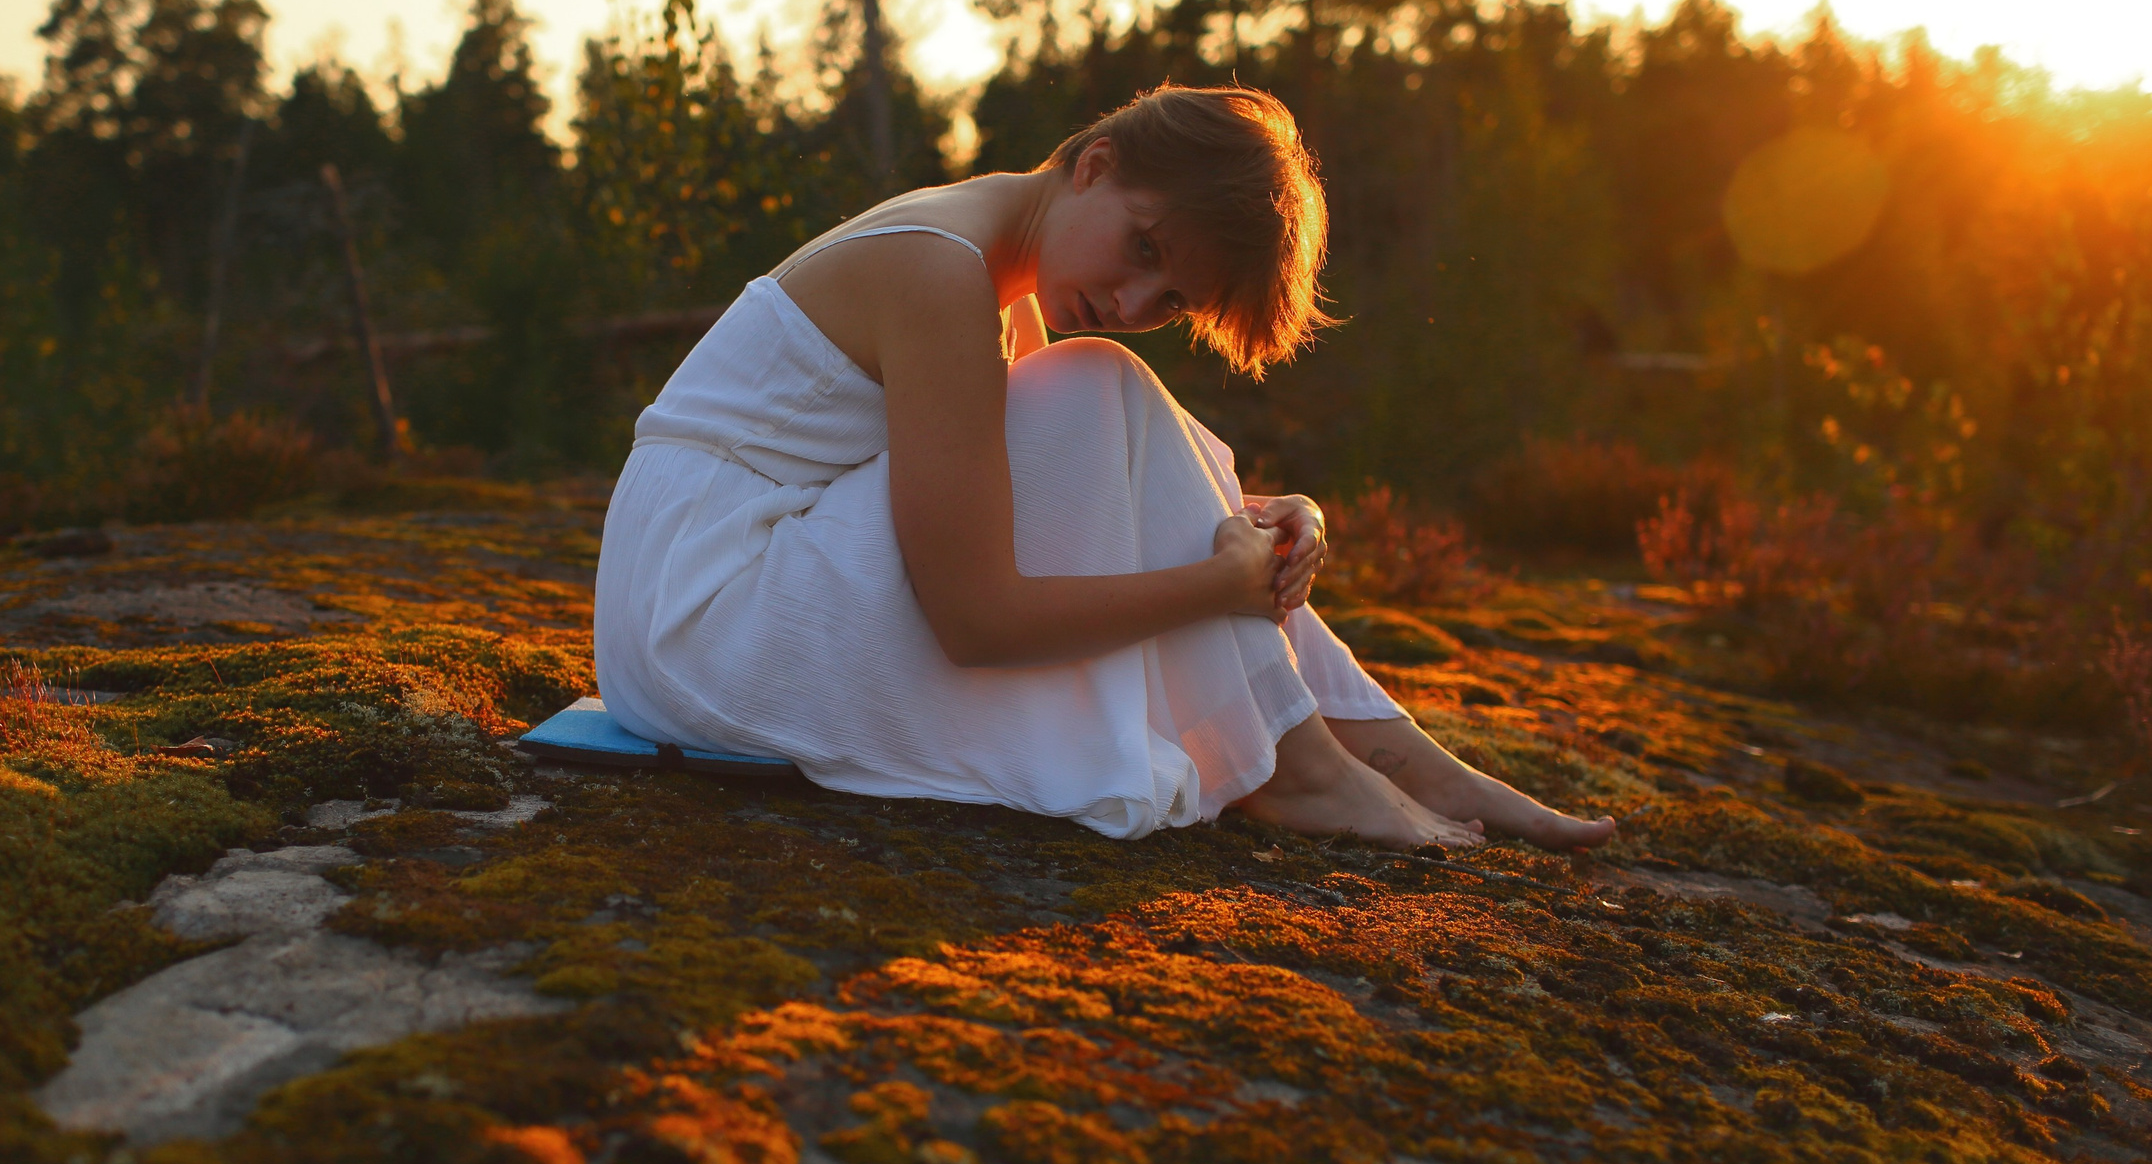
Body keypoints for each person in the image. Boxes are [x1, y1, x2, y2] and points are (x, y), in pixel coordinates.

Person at [594, 83, 1616, 852]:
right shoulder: (939, 272)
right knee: (1102, 382)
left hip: (715, 587)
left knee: (1102, 391)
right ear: (1092, 163)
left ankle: (1388, 755)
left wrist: (1255, 517)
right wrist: (1220, 583)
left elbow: (1086, 492)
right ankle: (1306, 769)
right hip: (703, 615)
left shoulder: (999, 276)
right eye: (1139, 248)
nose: (1134, 303)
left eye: (1171, 302)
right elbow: (978, 617)